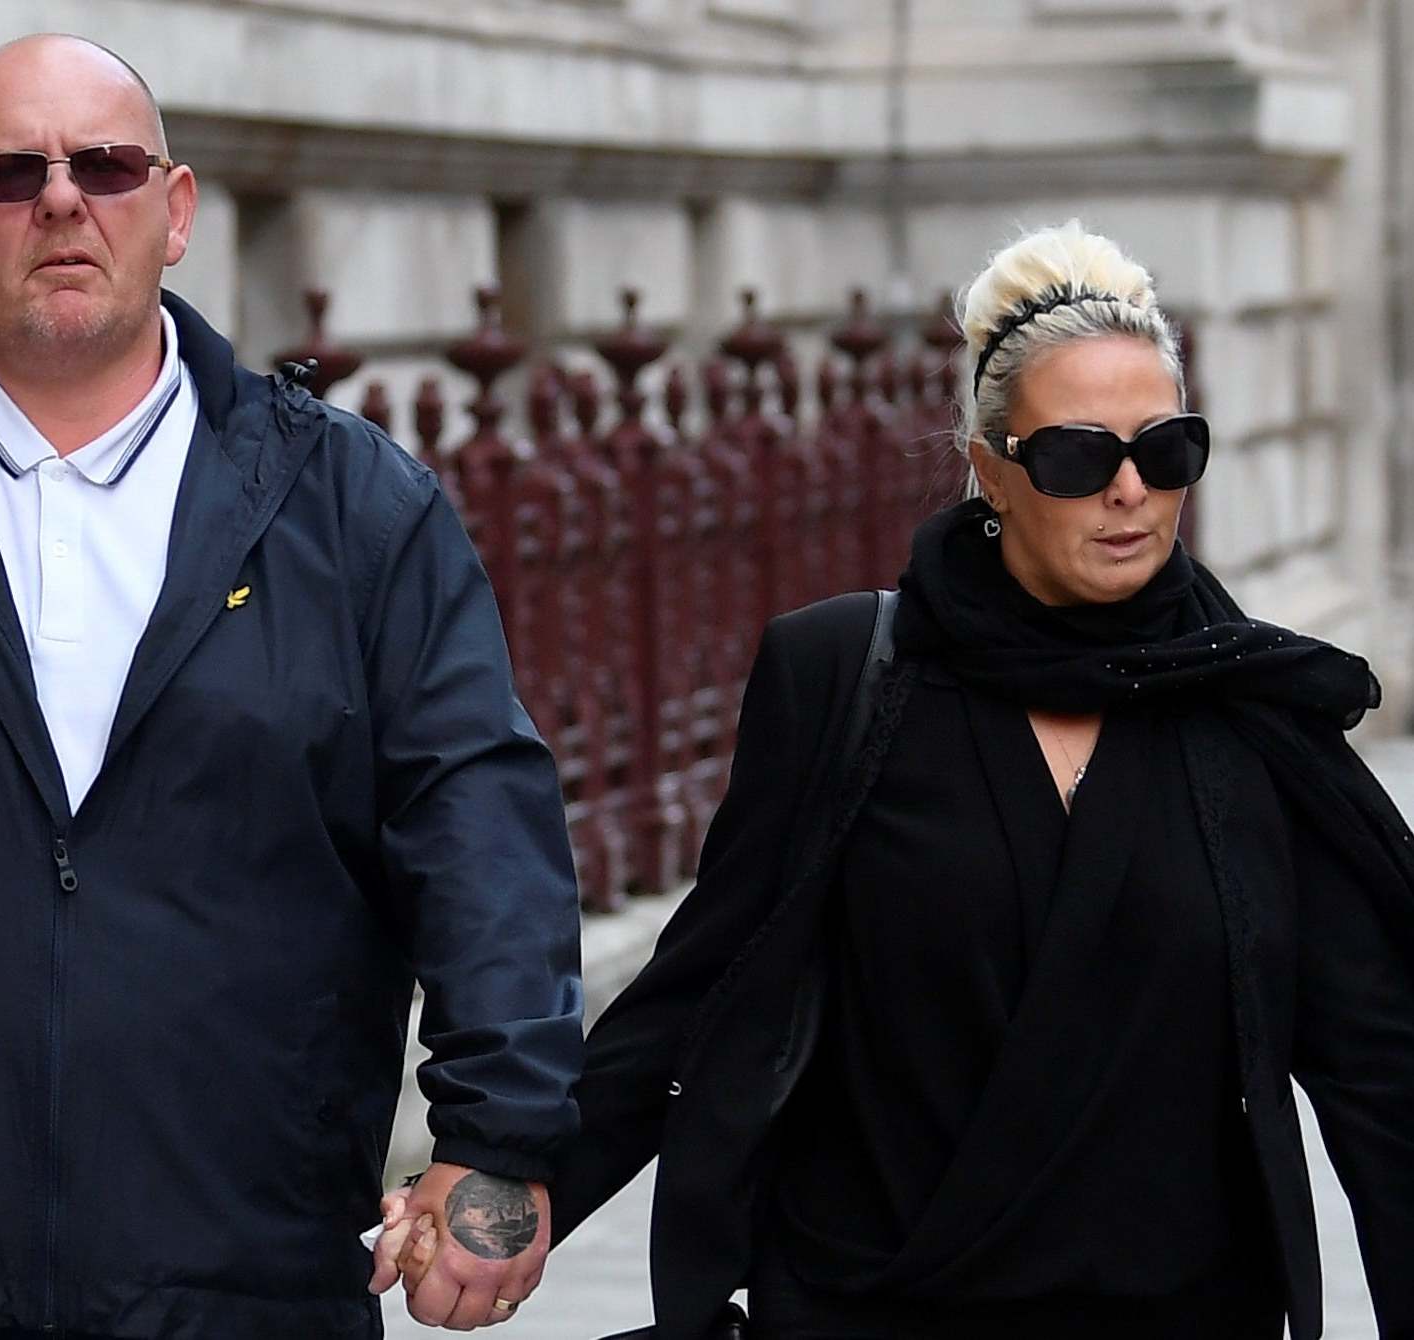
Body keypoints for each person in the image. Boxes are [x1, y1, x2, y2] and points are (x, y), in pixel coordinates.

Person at [0, 33, 581, 1340]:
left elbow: (477, 824)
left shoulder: (353, 507)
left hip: (241, 1285)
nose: (63, 200)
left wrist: (501, 1130)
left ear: (175, 210)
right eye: (12, 172)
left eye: (108, 166)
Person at [378, 220, 1414, 1338]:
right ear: (989, 468)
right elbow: (705, 984)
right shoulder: (846, 679)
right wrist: (513, 1186)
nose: (1129, 491)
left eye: (1165, 451)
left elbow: (1382, 1072)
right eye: (1077, 455)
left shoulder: (1254, 708)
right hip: (873, 1301)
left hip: (1178, 1311)